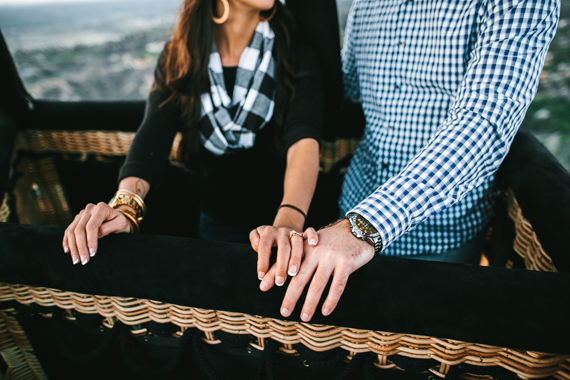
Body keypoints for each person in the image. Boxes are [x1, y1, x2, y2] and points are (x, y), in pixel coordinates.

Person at [257, 0, 560, 322]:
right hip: (348, 211)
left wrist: (362, 228)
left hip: (438, 234)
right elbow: (346, 89)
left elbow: (483, 124)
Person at [62, 0, 322, 285]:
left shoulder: (294, 52)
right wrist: (125, 207)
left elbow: (303, 141)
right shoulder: (181, 56)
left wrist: (287, 225)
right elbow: (153, 135)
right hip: (216, 226)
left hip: (288, 228)